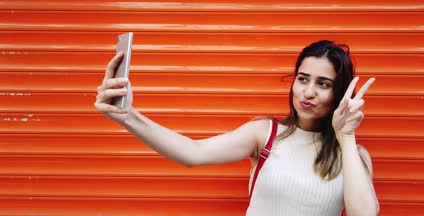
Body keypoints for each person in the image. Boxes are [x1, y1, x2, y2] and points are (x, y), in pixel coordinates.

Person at [95, 40, 379, 216]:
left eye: (323, 84)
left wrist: (346, 136)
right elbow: (193, 153)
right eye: (303, 79)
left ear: (339, 93)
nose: (308, 92)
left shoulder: (353, 154)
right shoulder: (266, 134)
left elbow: (364, 214)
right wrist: (127, 115)